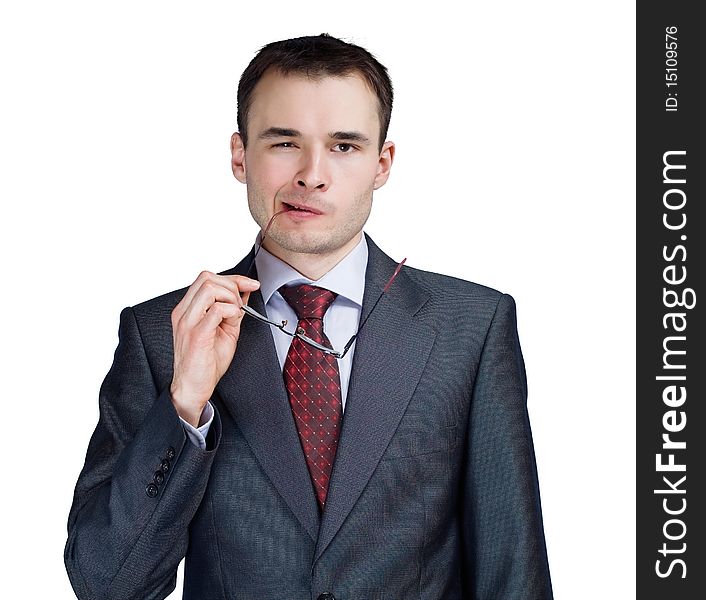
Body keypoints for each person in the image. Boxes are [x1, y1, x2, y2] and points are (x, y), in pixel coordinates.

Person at [65, 33, 553, 600]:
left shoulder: (471, 327)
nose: (312, 174)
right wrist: (183, 406)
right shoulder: (159, 333)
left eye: (344, 145)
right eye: (283, 143)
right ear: (239, 155)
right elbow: (105, 583)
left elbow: (512, 573)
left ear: (382, 162)